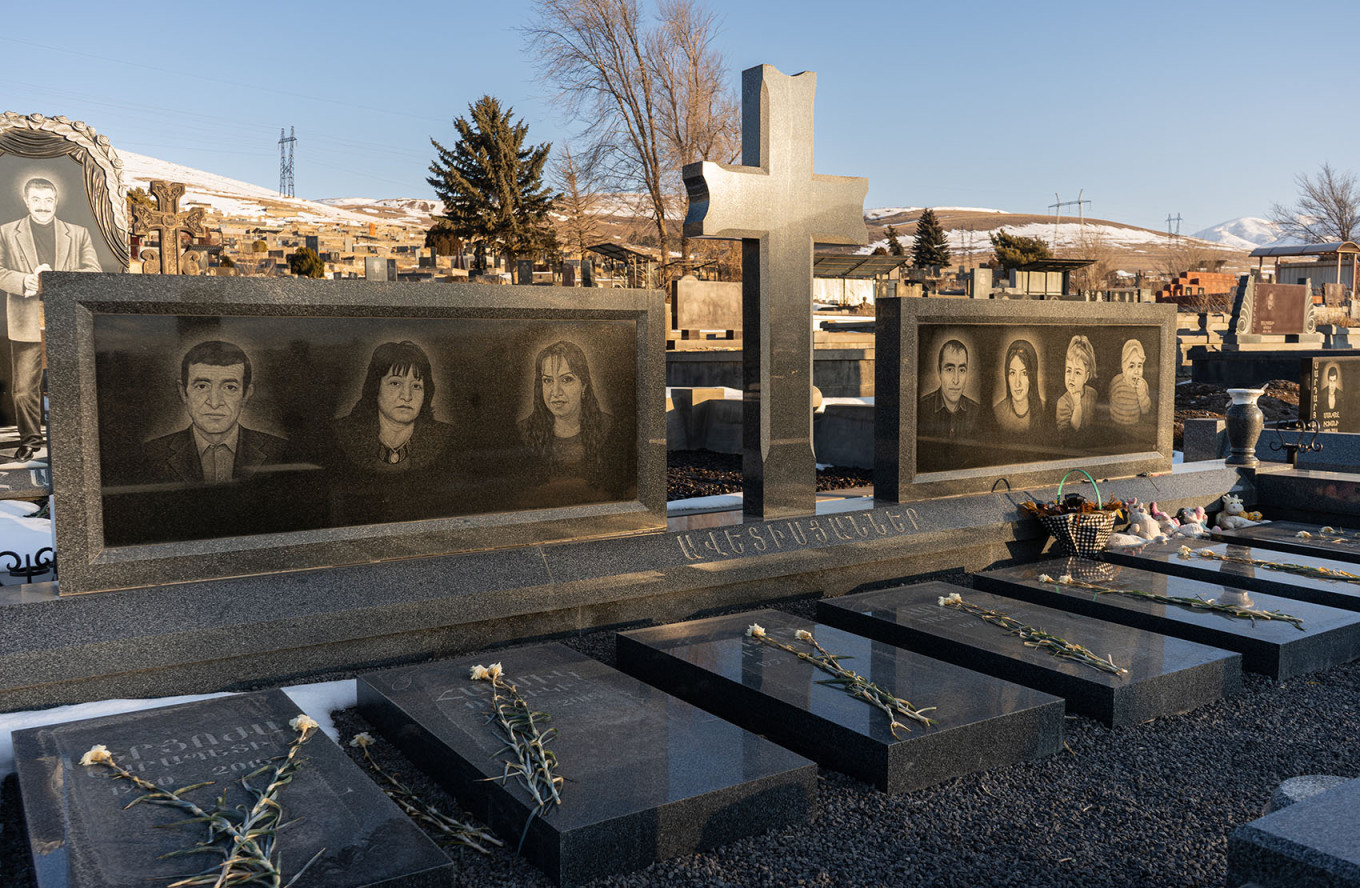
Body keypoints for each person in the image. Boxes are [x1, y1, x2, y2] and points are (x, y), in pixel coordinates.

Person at [0, 177, 101, 460]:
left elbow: (92, 271)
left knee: (72, 384)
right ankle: (30, 441)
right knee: (22, 389)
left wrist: (55, 280)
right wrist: (26, 281)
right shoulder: (6, 232)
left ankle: (71, 442)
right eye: (36, 200)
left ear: (56, 201)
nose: (43, 206)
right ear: (26, 200)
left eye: (48, 200)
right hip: (25, 321)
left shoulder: (78, 233)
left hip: (66, 320)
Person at [144, 340, 286, 485]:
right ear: (183, 393)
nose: (214, 402)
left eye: (230, 387)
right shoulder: (150, 454)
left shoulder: (281, 451)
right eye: (202, 386)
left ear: (246, 395)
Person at [332, 340, 452, 475]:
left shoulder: (446, 438)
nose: (407, 396)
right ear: (375, 387)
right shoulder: (342, 434)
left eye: (416, 386)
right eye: (395, 383)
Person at [519, 339, 617, 501]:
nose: (555, 392)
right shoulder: (523, 431)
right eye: (548, 381)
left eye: (566, 379)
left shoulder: (609, 427)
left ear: (584, 385)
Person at [918, 338, 980, 443]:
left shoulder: (977, 412)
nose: (956, 380)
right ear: (939, 372)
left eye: (961, 370)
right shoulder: (921, 408)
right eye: (949, 369)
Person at [993, 338, 1043, 434]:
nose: (1017, 383)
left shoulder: (1044, 408)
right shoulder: (998, 412)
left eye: (1024, 373)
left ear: (1032, 376)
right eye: (1012, 373)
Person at [1056, 334, 1098, 433]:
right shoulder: (1062, 403)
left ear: (1086, 377)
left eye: (1077, 372)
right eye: (1069, 371)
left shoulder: (1093, 395)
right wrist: (1077, 405)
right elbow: (1068, 434)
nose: (1071, 378)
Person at [1108, 339, 1153, 426]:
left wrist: (1141, 394)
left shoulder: (1143, 385)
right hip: (1114, 424)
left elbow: (1146, 410)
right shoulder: (1116, 381)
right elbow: (1110, 398)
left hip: (1134, 425)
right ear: (1123, 367)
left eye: (1139, 366)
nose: (1136, 371)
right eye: (1131, 366)